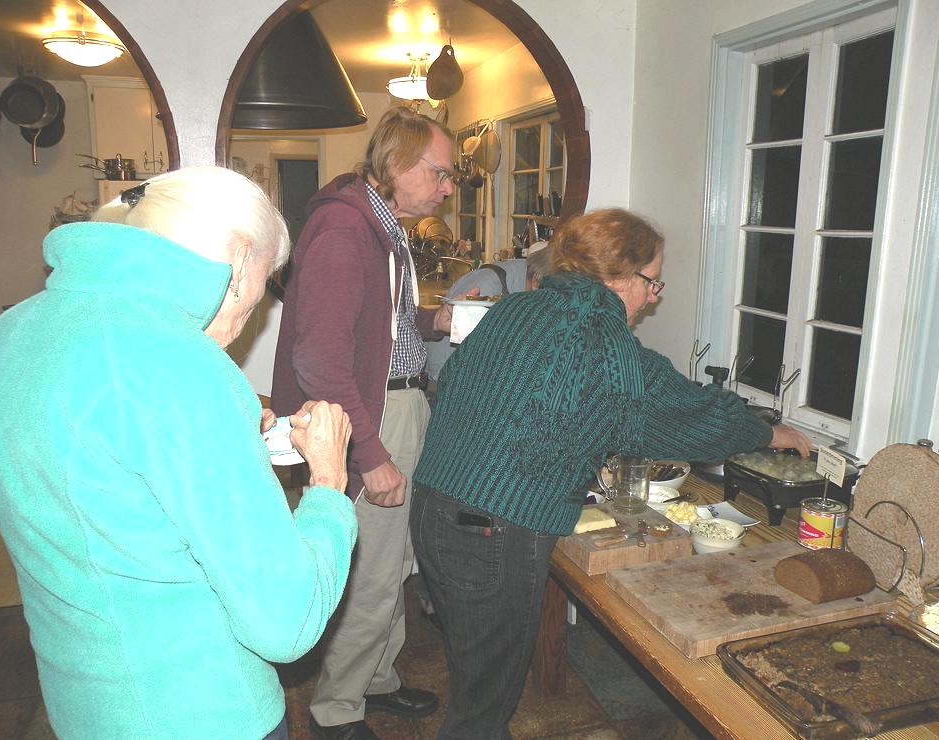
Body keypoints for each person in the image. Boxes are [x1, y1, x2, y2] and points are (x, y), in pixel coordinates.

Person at [410, 208, 813, 739]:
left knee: (474, 676)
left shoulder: (518, 308)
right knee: (483, 707)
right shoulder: (600, 336)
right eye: (651, 280)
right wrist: (771, 435)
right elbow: (682, 414)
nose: (654, 295)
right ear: (619, 277)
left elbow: (484, 391)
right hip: (494, 530)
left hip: (437, 505)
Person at [0, 166, 359, 740]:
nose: (248, 317)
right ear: (238, 263)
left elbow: (102, 486)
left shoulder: (15, 329)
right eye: (262, 287)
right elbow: (287, 620)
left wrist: (229, 445)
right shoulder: (182, 364)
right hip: (202, 713)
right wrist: (328, 485)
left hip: (84, 705)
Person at [271, 107, 458, 740]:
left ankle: (377, 678)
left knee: (395, 558)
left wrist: (439, 322)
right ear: (401, 164)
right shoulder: (345, 230)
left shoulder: (382, 225)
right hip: (371, 413)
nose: (447, 186)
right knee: (371, 568)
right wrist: (370, 454)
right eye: (440, 172)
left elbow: (376, 323)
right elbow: (320, 356)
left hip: (396, 402)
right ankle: (336, 710)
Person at [424, 241, 554, 381]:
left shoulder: (521, 278)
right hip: (445, 379)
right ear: (535, 282)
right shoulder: (487, 288)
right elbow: (471, 355)